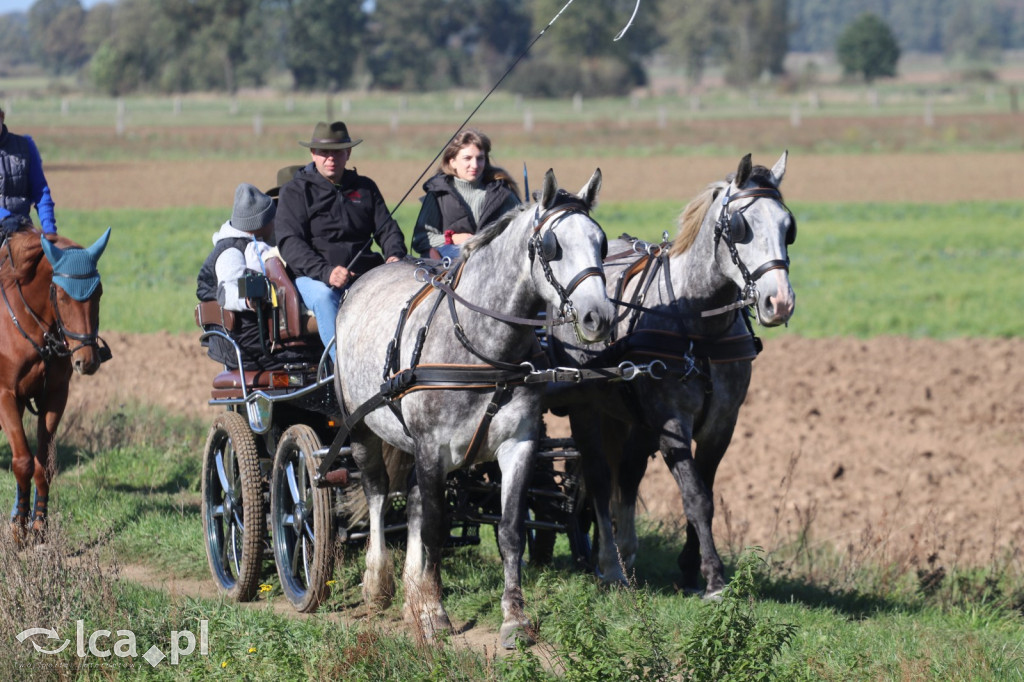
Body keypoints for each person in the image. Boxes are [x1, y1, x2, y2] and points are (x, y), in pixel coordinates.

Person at [275, 121, 407, 361]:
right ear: (313, 154)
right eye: (324, 153)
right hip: (314, 278)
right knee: (326, 297)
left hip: (365, 273)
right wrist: (327, 273)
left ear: (348, 153)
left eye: (337, 152)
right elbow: (290, 243)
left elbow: (387, 229)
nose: (330, 158)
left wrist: (394, 255)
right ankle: (343, 369)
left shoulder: (365, 188)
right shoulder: (296, 191)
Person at [196, 183, 279, 369]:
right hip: (250, 344)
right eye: (271, 219)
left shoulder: (250, 243)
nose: (275, 223)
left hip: (257, 336)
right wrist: (248, 300)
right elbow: (226, 292)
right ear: (259, 224)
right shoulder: (231, 251)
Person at [411, 128, 521, 260]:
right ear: (452, 162)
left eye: (480, 158)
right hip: (448, 273)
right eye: (467, 158)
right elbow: (421, 239)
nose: (474, 165)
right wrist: (453, 238)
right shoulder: (438, 193)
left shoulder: (502, 193)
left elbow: (520, 232)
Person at [0, 107, 57, 234]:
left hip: (22, 229)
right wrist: (4, 216)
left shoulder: (26, 146)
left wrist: (49, 231)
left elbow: (41, 192)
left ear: (2, 117)